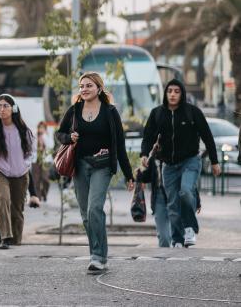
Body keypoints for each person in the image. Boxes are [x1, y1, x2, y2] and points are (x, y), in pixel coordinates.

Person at [56, 71, 134, 273]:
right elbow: (60, 134)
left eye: (89, 85)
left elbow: (120, 144)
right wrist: (69, 138)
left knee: (94, 209)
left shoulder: (110, 112)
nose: (84, 89)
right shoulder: (74, 110)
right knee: (85, 215)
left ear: (99, 88)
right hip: (80, 165)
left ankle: (97, 257)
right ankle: (99, 255)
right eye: (82, 86)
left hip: (102, 165)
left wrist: (128, 174)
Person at [141, 78, 220, 248]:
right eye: (170, 91)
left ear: (182, 94)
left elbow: (207, 136)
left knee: (185, 192)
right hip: (168, 166)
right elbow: (148, 137)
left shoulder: (192, 112)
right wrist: (143, 154)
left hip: (190, 161)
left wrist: (214, 161)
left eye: (176, 91)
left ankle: (190, 228)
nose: (172, 94)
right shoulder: (157, 113)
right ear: (165, 94)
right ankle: (177, 239)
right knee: (173, 205)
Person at [0, 94, 35, 250]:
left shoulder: (24, 129)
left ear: (14, 108)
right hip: (0, 172)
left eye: (6, 105)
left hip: (21, 173)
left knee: (17, 209)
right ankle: (5, 237)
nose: (2, 109)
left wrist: (25, 165)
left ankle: (16, 241)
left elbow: (32, 152)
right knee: (2, 200)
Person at [32, 121, 52, 201]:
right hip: (35, 160)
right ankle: (38, 197)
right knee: (36, 180)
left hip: (45, 160)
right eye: (39, 128)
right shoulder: (34, 136)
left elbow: (51, 146)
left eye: (42, 128)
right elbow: (31, 147)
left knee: (45, 179)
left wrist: (43, 136)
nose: (41, 129)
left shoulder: (47, 136)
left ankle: (44, 193)